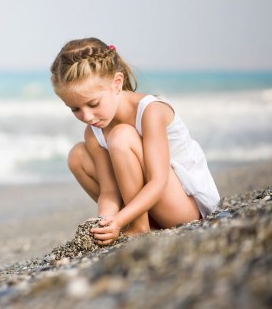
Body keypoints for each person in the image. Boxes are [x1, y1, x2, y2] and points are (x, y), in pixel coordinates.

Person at [49, 37, 220, 245]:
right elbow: (109, 191)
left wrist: (120, 219)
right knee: (77, 156)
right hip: (150, 210)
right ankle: (136, 224)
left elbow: (158, 182)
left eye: (93, 104)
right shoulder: (93, 131)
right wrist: (105, 220)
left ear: (117, 83)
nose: (86, 116)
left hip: (185, 208)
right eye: (75, 109)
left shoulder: (151, 111)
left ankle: (138, 227)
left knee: (121, 136)